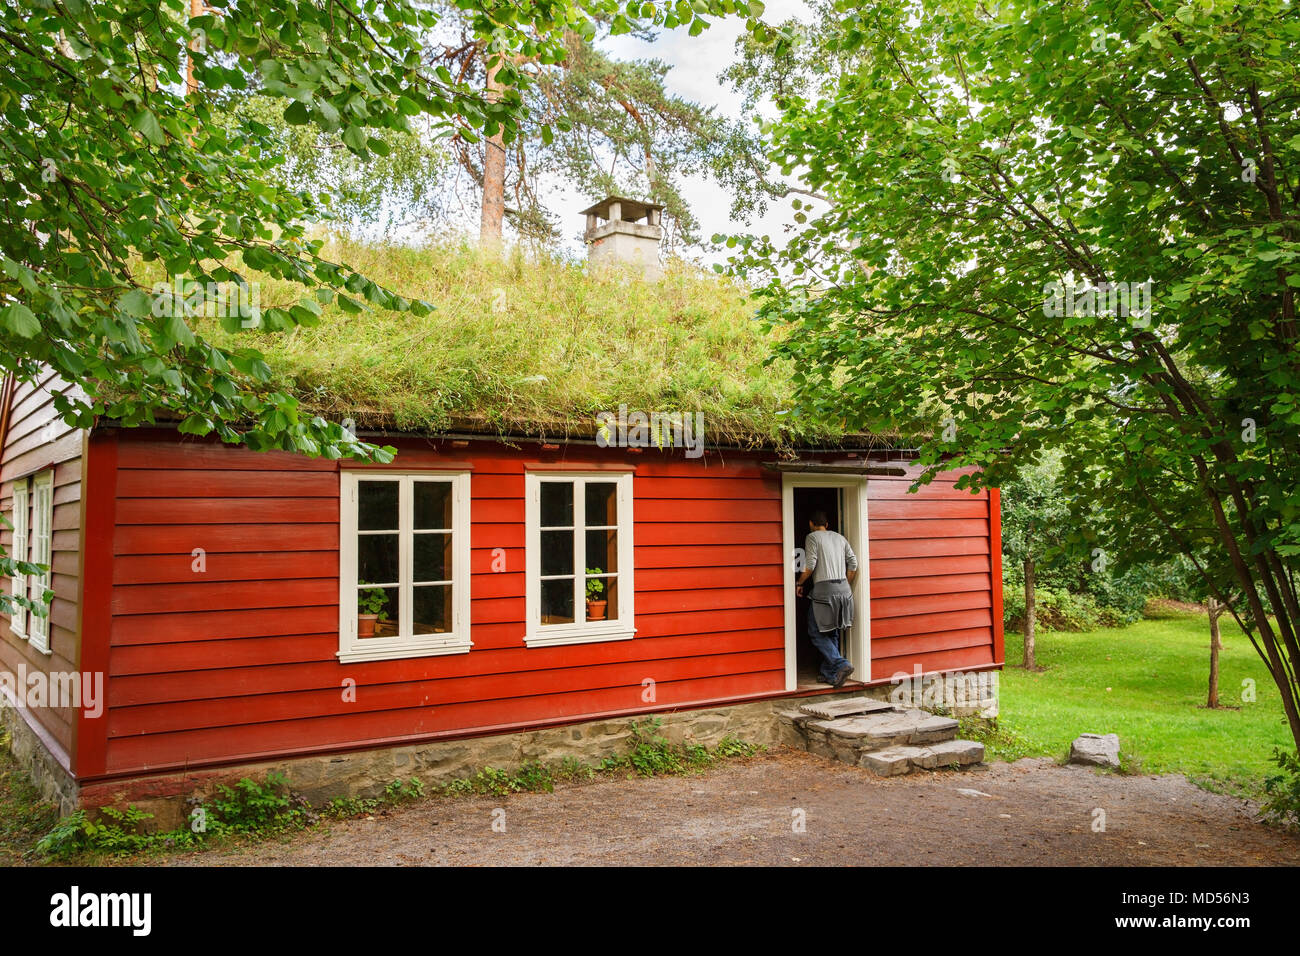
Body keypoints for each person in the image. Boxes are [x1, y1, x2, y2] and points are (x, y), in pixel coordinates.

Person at [795, 510, 858, 687]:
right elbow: (853, 563)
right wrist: (846, 583)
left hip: (824, 590)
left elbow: (810, 563)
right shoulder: (840, 538)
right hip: (844, 590)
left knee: (815, 631)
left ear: (811, 524)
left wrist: (799, 582)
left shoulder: (812, 537)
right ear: (827, 525)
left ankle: (840, 664)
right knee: (832, 630)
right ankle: (829, 673)